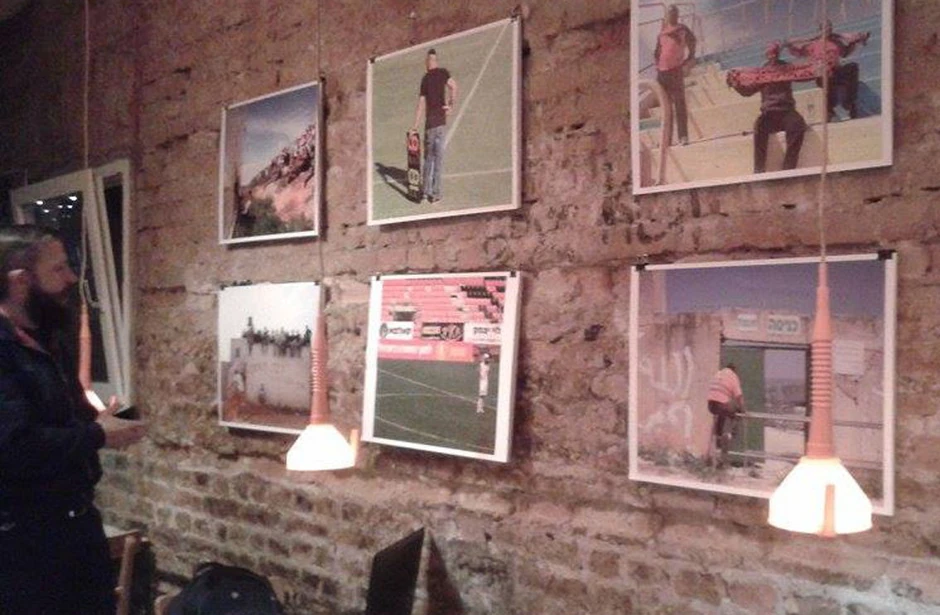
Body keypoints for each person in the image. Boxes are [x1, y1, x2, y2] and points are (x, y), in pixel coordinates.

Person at [0, 225, 147, 615]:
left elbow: (61, 421)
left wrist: (101, 420)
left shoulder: (45, 339)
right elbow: (14, 447)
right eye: (58, 268)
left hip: (74, 525)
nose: (70, 278)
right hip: (23, 545)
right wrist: (98, 434)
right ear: (20, 282)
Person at [730, 41, 807, 173]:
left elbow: (803, 76)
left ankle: (788, 169)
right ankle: (759, 170)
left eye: (775, 53)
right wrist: (736, 85)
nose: (773, 56)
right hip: (769, 114)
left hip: (787, 111)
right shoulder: (762, 73)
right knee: (759, 127)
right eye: (770, 53)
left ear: (778, 54)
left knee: (798, 125)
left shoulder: (786, 68)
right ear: (767, 55)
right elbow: (747, 92)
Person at [786, 20, 870, 121]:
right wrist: (792, 44)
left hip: (836, 71)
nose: (828, 29)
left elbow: (845, 53)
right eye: (825, 27)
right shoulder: (813, 44)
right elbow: (796, 50)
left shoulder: (836, 42)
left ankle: (849, 104)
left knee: (853, 67)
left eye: (830, 27)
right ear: (820, 29)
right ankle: (830, 111)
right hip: (822, 73)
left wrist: (854, 42)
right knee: (825, 76)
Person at [412, 47, 458, 204]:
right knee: (438, 159)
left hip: (430, 124)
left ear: (428, 61)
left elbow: (421, 104)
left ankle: (425, 192)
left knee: (428, 159)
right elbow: (454, 86)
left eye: (427, 60)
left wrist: (415, 126)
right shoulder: (443, 73)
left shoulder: (425, 79)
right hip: (441, 123)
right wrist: (450, 105)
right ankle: (436, 193)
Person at [654, 4, 696, 146]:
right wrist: (657, 65)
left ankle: (683, 136)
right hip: (662, 73)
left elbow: (692, 41)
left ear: (677, 15)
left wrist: (690, 57)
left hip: (675, 70)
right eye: (669, 13)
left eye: (674, 12)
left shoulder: (682, 29)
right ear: (666, 15)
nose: (672, 15)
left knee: (679, 103)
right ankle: (667, 139)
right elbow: (657, 51)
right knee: (666, 107)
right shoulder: (661, 33)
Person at [707, 363, 745, 468]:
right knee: (736, 411)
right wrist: (743, 410)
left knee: (723, 413)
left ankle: (719, 434)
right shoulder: (733, 376)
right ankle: (729, 433)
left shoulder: (718, 374)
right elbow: (739, 396)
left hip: (711, 406)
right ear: (734, 370)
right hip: (722, 405)